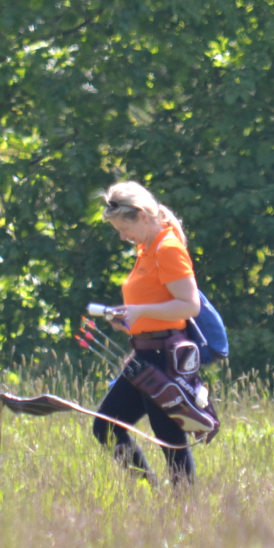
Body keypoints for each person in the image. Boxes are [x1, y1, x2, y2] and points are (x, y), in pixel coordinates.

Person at [92, 181, 201, 485]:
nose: (122, 236)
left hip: (163, 356)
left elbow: (189, 306)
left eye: (123, 229)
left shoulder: (167, 248)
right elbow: (152, 302)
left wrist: (140, 312)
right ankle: (150, 491)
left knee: (169, 440)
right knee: (106, 428)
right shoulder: (147, 249)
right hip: (143, 353)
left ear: (141, 215)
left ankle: (185, 511)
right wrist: (129, 318)